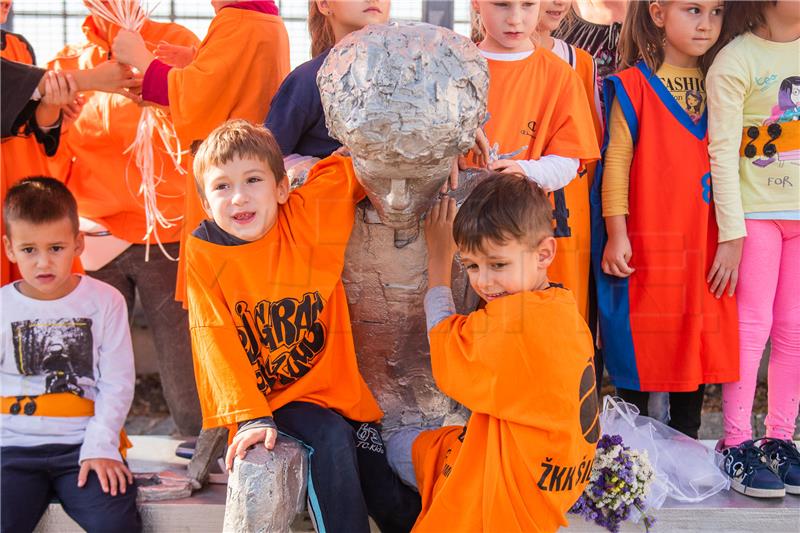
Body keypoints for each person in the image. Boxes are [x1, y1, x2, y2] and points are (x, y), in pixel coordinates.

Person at [186, 120, 420, 533]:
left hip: (340, 395)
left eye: (252, 180)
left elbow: (359, 159)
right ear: (206, 203)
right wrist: (250, 418)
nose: (238, 196)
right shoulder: (207, 253)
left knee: (388, 495)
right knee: (329, 443)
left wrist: (451, 142)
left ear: (281, 188)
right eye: (221, 187)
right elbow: (213, 338)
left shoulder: (308, 215)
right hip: (274, 399)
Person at [402, 174, 598, 532]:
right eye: (472, 266)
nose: (484, 282)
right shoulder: (561, 306)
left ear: (544, 254)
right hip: (558, 478)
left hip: (506, 501)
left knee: (399, 445)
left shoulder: (516, 323)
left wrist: (440, 260)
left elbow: (444, 342)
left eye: (498, 265)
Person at [48, 3, 203, 437]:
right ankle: (80, 454)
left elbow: (204, 117)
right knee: (86, 373)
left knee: (187, 387)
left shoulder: (178, 42)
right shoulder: (67, 62)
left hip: (166, 233)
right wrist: (54, 119)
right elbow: (52, 150)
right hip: (95, 236)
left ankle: (201, 454)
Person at [593, 0, 736, 440]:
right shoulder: (632, 86)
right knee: (642, 340)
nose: (706, 23)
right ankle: (633, 455)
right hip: (648, 240)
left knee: (697, 341)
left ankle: (689, 449)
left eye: (715, 12)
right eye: (692, 10)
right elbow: (616, 162)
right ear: (658, 14)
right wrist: (616, 232)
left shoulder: (724, 84)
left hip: (706, 240)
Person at [111, 0, 291, 302]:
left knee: (221, 301)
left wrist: (140, 56)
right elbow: (226, 90)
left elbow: (197, 98)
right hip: (249, 173)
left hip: (229, 179)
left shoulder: (238, 20)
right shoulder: (264, 20)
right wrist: (195, 60)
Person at [0, 177, 139, 533]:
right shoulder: (3, 307)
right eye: (29, 249)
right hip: (10, 448)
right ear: (10, 249)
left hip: (82, 444)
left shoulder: (105, 301)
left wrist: (102, 444)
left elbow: (116, 382)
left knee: (115, 524)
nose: (43, 262)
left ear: (78, 243)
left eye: (56, 248)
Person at [707, 0, 800, 498]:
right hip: (756, 217)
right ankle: (736, 442)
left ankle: (780, 439)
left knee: (794, 329)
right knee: (753, 328)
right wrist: (731, 231)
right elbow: (720, 151)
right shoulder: (737, 59)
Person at [469, 0, 600, 320]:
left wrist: (522, 170)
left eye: (527, 5)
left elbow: (569, 162)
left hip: (522, 238)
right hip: (463, 238)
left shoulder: (560, 76)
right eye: (502, 5)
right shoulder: (455, 65)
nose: (515, 19)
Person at [535, 0, 603, 322]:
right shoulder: (480, 59)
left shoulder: (580, 62)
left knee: (566, 307)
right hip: (505, 209)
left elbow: (590, 150)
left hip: (568, 213)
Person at [265, 0, 390, 160]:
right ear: (324, 4)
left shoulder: (411, 77)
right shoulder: (307, 80)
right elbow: (266, 160)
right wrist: (326, 168)